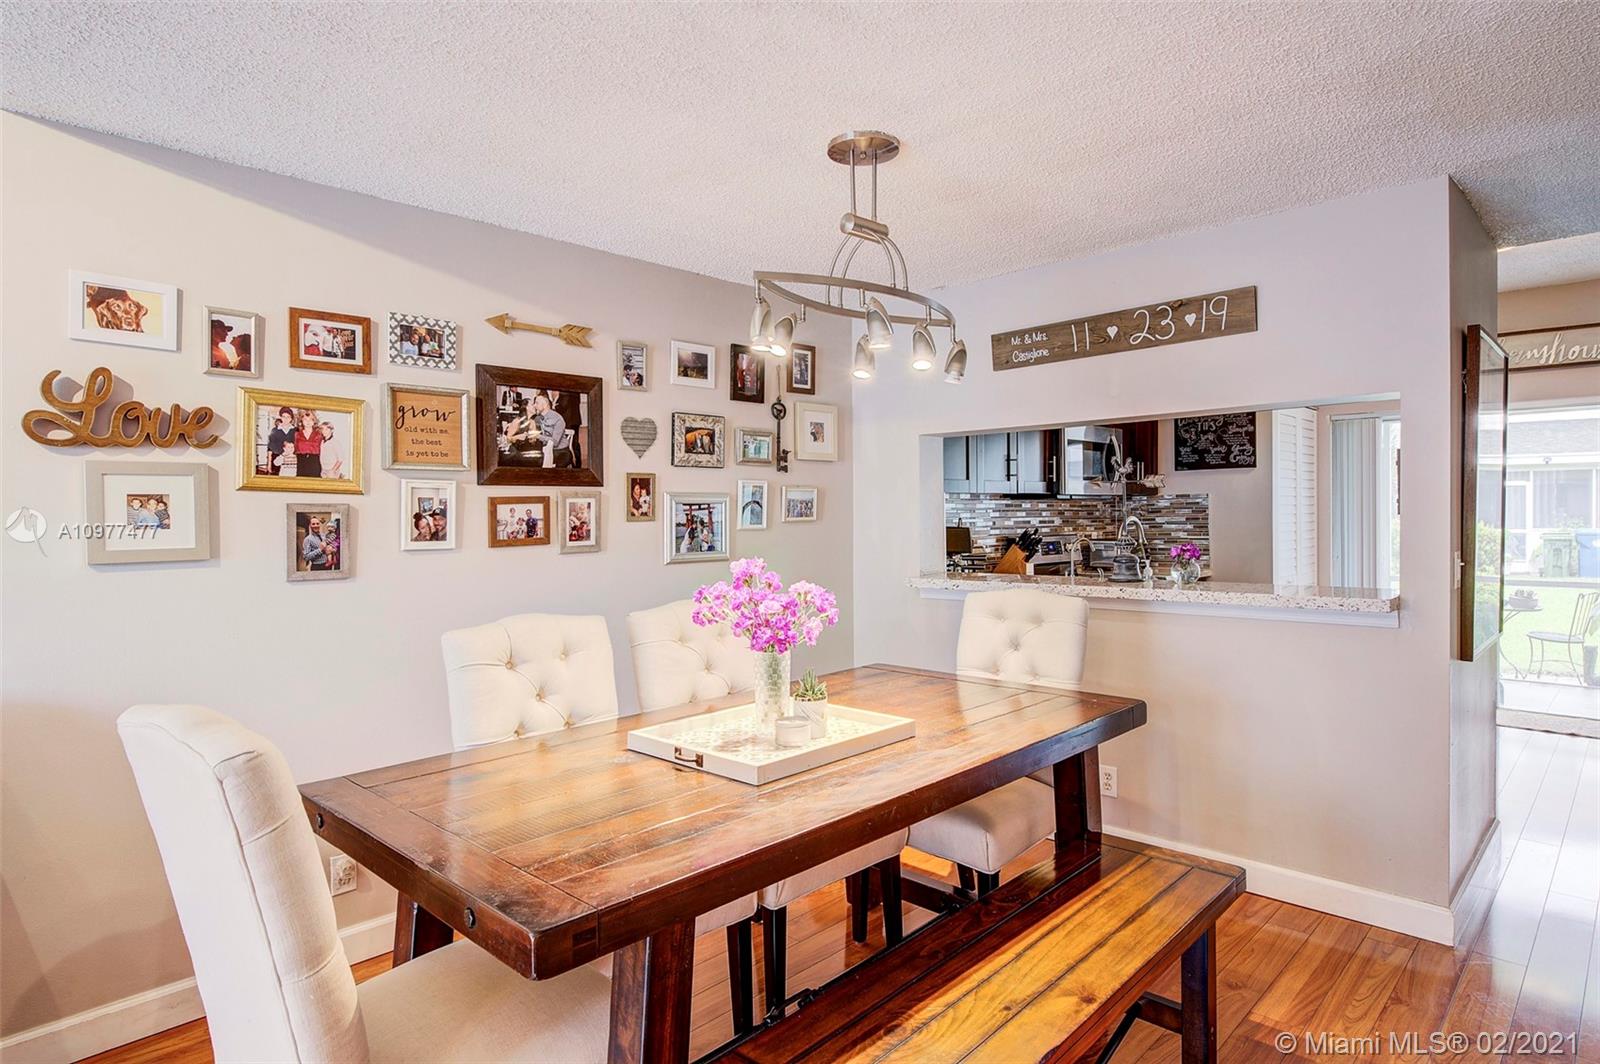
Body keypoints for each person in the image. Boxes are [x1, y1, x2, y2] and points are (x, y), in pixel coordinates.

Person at [531, 394, 570, 468]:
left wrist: (538, 436)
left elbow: (555, 442)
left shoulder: (557, 418)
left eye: (537, 403)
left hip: (560, 451)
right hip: (545, 450)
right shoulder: (538, 418)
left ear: (545, 404)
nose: (534, 405)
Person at [293, 409, 323, 478]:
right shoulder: (297, 434)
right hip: (301, 462)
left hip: (314, 462)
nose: (308, 422)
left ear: (314, 421)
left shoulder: (319, 434)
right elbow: (294, 449)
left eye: (310, 420)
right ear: (301, 421)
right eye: (305, 420)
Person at [267, 407, 295, 475]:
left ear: (291, 418)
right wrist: (269, 464)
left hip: (290, 462)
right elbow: (270, 448)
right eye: (283, 416)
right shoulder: (275, 430)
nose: (286, 419)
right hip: (276, 460)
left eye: (288, 417)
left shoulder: (295, 430)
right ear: (281, 417)